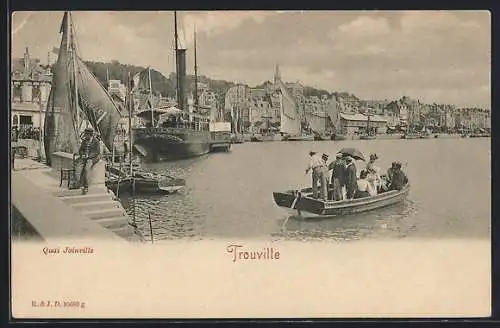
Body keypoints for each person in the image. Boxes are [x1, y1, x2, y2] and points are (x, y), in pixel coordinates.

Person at [77, 128, 101, 194]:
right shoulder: (84, 141)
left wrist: (89, 156)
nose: (85, 136)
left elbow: (97, 152)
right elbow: (80, 150)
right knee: (78, 168)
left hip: (93, 158)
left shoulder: (96, 141)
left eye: (86, 134)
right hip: (84, 157)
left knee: (86, 169)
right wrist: (82, 155)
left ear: (90, 135)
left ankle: (86, 186)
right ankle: (78, 184)